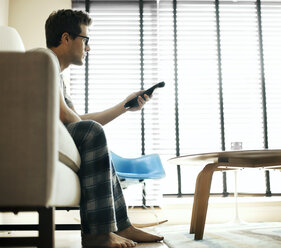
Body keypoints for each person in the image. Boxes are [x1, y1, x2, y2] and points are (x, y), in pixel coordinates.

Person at [44, 9, 164, 248]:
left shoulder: (54, 72)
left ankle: (122, 226)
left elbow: (74, 118)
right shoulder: (45, 61)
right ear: (66, 38)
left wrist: (124, 106)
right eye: (85, 40)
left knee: (91, 131)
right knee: (91, 131)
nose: (88, 48)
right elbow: (65, 116)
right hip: (44, 139)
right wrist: (91, 130)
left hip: (55, 136)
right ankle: (97, 234)